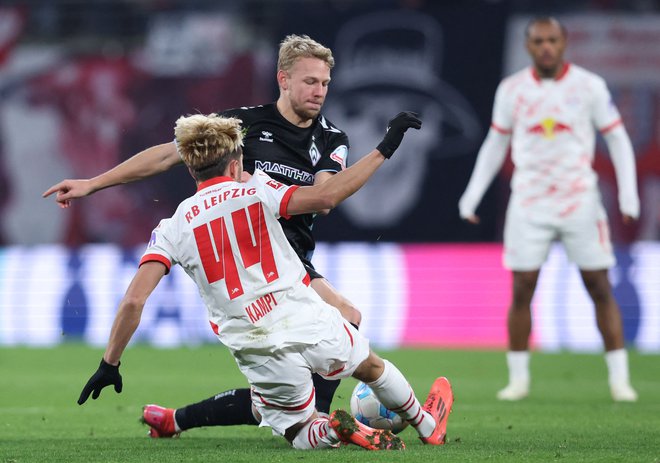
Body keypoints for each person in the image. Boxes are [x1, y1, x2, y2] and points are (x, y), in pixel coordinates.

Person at [45, 35, 365, 434]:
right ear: (283, 79)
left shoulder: (331, 139)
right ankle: (321, 421)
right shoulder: (242, 124)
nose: (319, 92)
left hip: (292, 258)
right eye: (310, 81)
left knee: (285, 384)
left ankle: (178, 420)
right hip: (251, 264)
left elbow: (323, 199)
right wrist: (94, 183)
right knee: (344, 319)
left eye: (325, 83)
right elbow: (166, 154)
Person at [77, 112, 454, 451]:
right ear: (237, 161)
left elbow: (133, 301)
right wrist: (385, 147)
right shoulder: (258, 189)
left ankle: (333, 431)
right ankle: (426, 425)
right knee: (371, 367)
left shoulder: (172, 229)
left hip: (255, 344)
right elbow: (328, 195)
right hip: (306, 316)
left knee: (299, 432)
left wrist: (111, 362)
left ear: (191, 170)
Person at [458, 17, 639, 402]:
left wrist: (628, 194)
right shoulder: (512, 90)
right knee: (522, 288)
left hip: (579, 201)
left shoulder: (589, 86)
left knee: (599, 286)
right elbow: (495, 143)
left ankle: (620, 380)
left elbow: (618, 138)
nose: (546, 47)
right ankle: (519, 380)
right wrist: (472, 195)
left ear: (564, 42)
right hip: (529, 202)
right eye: (538, 41)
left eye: (552, 40)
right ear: (528, 46)